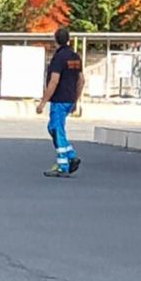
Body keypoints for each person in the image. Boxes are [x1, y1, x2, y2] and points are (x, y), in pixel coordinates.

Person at [36, 27, 85, 177]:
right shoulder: (75, 58)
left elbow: (54, 81)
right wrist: (75, 100)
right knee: (53, 128)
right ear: (68, 39)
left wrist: (43, 102)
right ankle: (70, 156)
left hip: (59, 99)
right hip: (69, 98)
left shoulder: (59, 58)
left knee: (56, 130)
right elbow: (81, 80)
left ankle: (64, 163)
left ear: (55, 40)